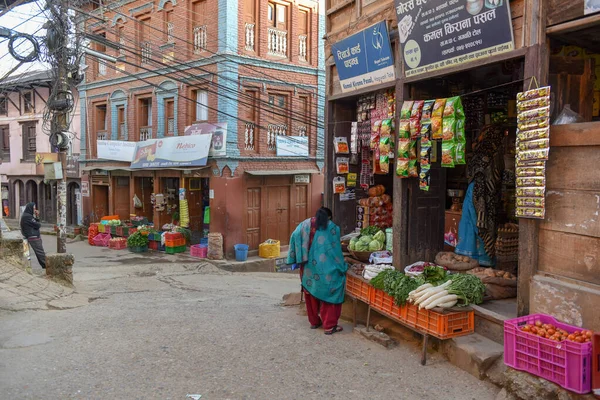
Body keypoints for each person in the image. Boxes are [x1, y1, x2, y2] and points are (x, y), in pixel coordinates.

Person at [287, 207, 348, 335]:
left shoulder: (305, 224)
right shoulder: (333, 228)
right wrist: (343, 266)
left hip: (307, 266)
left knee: (310, 293)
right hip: (326, 269)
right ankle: (329, 326)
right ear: (329, 217)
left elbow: (294, 235)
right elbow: (335, 252)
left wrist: (298, 256)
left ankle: (314, 322)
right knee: (331, 291)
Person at [455, 125, 505, 267]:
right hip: (480, 197)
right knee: (478, 226)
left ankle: (471, 262)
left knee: (474, 226)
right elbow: (496, 177)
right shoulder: (492, 154)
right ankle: (480, 262)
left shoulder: (484, 153)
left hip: (479, 196)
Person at [20, 202, 46, 269]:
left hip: (33, 235)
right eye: (34, 208)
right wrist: (36, 217)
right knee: (40, 253)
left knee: (40, 252)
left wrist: (36, 216)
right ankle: (47, 266)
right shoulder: (27, 217)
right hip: (33, 236)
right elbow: (38, 225)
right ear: (30, 208)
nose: (35, 210)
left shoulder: (28, 215)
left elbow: (36, 223)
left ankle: (45, 265)